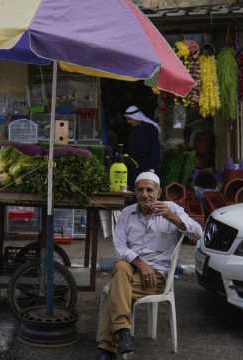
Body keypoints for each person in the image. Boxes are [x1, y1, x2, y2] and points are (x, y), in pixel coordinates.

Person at [96, 170, 203, 360]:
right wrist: (140, 263)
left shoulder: (171, 209)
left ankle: (107, 347)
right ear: (135, 193)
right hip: (131, 268)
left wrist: (172, 218)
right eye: (140, 190)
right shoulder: (128, 213)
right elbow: (119, 245)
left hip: (156, 276)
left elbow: (198, 234)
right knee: (121, 266)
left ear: (158, 192)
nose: (145, 194)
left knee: (115, 288)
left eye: (149, 190)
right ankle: (123, 332)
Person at [125, 105, 161, 189]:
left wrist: (152, 167)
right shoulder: (133, 130)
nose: (128, 122)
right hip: (134, 166)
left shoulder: (150, 128)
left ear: (136, 117)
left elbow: (155, 149)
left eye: (130, 119)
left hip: (147, 165)